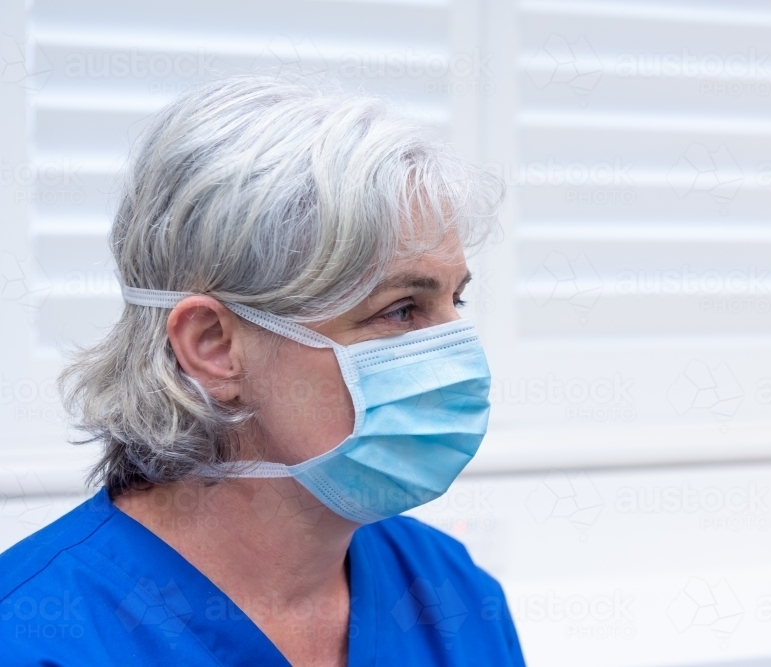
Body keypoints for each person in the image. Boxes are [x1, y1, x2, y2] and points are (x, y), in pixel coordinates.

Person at [0, 78, 523, 667]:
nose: (455, 351)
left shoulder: (451, 598)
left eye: (457, 302)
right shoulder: (35, 638)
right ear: (214, 345)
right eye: (401, 311)